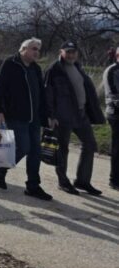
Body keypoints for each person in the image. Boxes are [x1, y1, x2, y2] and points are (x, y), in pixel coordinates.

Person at [0, 38, 53, 200]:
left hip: (35, 118)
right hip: (16, 115)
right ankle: (0, 169)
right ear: (23, 49)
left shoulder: (36, 69)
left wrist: (47, 116)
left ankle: (33, 186)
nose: (36, 52)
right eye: (33, 49)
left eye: (38, 50)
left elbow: (42, 95)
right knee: (23, 147)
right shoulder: (10, 64)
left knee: (35, 152)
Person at [44, 41, 105, 195]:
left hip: (80, 114)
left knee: (90, 144)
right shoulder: (54, 70)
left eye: (73, 52)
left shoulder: (78, 67)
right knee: (62, 149)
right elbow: (47, 94)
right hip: (62, 116)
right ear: (61, 52)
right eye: (68, 52)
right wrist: (51, 115)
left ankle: (82, 181)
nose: (71, 55)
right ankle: (63, 182)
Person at [102, 46, 119, 191]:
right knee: (117, 147)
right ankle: (114, 179)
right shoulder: (112, 71)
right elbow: (114, 93)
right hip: (115, 113)